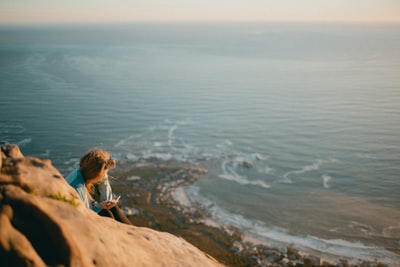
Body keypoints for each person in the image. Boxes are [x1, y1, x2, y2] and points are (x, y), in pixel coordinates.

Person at [66, 149, 131, 224]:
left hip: (87, 210)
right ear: (96, 174)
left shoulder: (85, 171)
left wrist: (105, 204)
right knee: (106, 214)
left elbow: (106, 199)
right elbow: (84, 214)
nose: (105, 176)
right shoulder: (77, 189)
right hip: (77, 220)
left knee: (113, 208)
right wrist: (99, 206)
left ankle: (133, 233)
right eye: (104, 174)